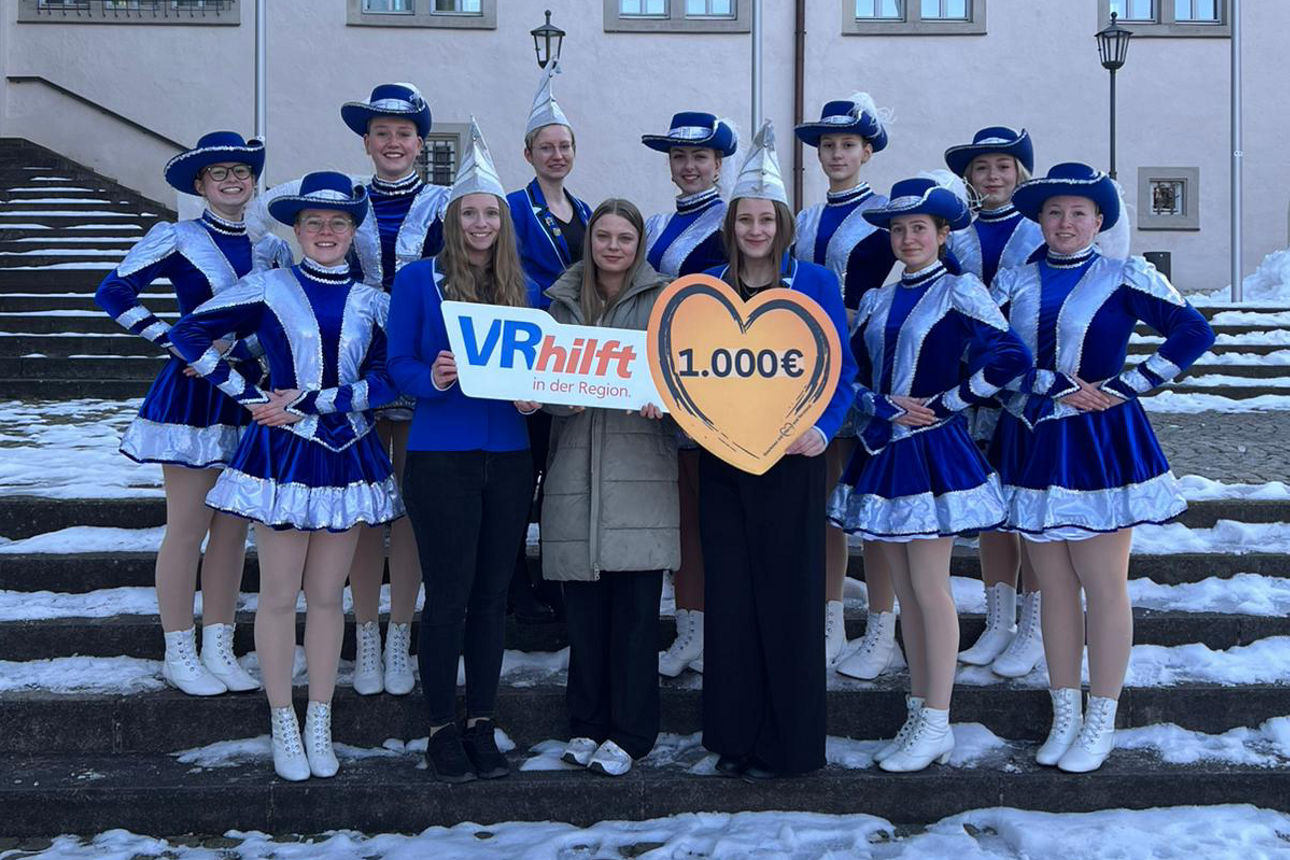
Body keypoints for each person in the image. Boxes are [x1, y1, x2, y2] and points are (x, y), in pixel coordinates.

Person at [168, 171, 403, 782]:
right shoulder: (268, 285)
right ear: (296, 230)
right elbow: (187, 335)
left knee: (329, 598)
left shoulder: (376, 300)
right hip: (283, 457)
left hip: (348, 452)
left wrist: (318, 402)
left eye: (338, 223)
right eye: (313, 223)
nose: (326, 232)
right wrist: (246, 395)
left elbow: (388, 380)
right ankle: (283, 720)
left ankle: (319, 717)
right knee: (279, 594)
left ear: (354, 232)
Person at [993, 162, 1215, 773]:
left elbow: (1193, 330)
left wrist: (1130, 384)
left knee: (1102, 583)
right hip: (1034, 439)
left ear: (1099, 220)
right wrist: (1045, 385)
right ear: (1039, 218)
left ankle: (1101, 715)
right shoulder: (1014, 280)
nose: (1065, 223)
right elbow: (984, 350)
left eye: (1079, 213)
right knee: (1054, 585)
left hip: (1100, 441)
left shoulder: (1123, 274)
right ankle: (1064, 709)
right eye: (1055, 212)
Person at [251, 83, 448, 696]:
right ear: (366, 142)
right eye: (381, 132)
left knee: (411, 506)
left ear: (420, 142)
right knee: (360, 511)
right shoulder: (343, 204)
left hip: (417, 368)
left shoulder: (446, 202)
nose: (393, 142)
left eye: (404, 132)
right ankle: (364, 632)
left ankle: (397, 633)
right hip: (349, 379)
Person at [830, 176, 1031, 773]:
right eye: (898, 229)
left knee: (928, 587)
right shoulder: (878, 299)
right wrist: (877, 403)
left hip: (934, 453)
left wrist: (947, 403)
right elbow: (848, 372)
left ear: (944, 235)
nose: (907, 238)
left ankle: (937, 718)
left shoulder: (961, 289)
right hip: (882, 450)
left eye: (919, 228)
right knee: (902, 589)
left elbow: (1012, 358)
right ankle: (918, 711)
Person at [95, 131, 291, 697]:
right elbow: (113, 294)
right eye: (219, 173)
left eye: (241, 172)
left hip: (248, 393)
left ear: (253, 181)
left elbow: (272, 327)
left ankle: (219, 647)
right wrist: (176, 343)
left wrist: (244, 355)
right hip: (190, 395)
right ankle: (177, 648)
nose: (232, 181)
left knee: (233, 531)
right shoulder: (176, 237)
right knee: (187, 528)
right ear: (201, 185)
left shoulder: (273, 249)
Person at [699, 122, 855, 779]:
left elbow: (842, 373)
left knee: (790, 600)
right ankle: (736, 740)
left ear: (782, 224)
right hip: (723, 461)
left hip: (793, 460)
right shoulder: (704, 287)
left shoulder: (815, 282)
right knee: (731, 599)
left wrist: (820, 432)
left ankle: (792, 745)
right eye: (746, 220)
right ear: (732, 225)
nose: (756, 230)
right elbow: (685, 370)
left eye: (766, 219)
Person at [387, 121, 535, 784]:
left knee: (491, 595)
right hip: (440, 454)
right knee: (447, 595)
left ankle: (482, 718)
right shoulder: (420, 281)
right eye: (470, 212)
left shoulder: (520, 288)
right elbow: (397, 366)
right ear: (454, 220)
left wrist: (536, 398)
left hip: (507, 455)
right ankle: (441, 725)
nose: (481, 223)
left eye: (490, 213)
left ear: (503, 222)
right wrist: (433, 379)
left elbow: (538, 371)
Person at [541, 199, 678, 777]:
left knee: (636, 616)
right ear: (590, 241)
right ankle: (586, 723)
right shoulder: (558, 302)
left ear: (639, 244)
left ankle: (632, 732)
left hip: (639, 473)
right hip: (575, 473)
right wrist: (548, 394)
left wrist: (665, 402)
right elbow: (542, 381)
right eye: (604, 235)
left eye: (625, 237)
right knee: (587, 615)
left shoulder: (665, 301)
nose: (614, 246)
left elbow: (686, 384)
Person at [793, 94, 900, 675]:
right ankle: (829, 617)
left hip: (877, 369)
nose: (837, 154)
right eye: (828, 145)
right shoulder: (804, 219)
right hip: (818, 377)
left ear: (867, 151)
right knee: (827, 505)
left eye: (848, 145)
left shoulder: (888, 213)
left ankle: (882, 628)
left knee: (875, 506)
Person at [943, 126, 1047, 677]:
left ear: (1020, 174)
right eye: (982, 169)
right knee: (989, 510)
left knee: (1026, 508)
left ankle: (1034, 626)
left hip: (1026, 388)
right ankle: (998, 619)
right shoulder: (955, 234)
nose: (991, 177)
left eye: (1003, 167)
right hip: (971, 387)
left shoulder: (1037, 231)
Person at [640, 110, 737, 679]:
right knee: (681, 519)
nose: (689, 167)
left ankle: (722, 627)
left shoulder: (735, 222)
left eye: (699, 157)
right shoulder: (653, 225)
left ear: (719, 162)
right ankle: (690, 629)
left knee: (716, 514)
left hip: (717, 383)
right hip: (660, 382)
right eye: (679, 157)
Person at [504, 60, 594, 624]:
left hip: (572, 361)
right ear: (529, 153)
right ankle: (514, 581)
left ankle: (554, 576)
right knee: (522, 473)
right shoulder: (512, 207)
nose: (557, 155)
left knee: (560, 475)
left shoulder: (585, 211)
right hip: (528, 353)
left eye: (564, 146)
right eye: (546, 146)